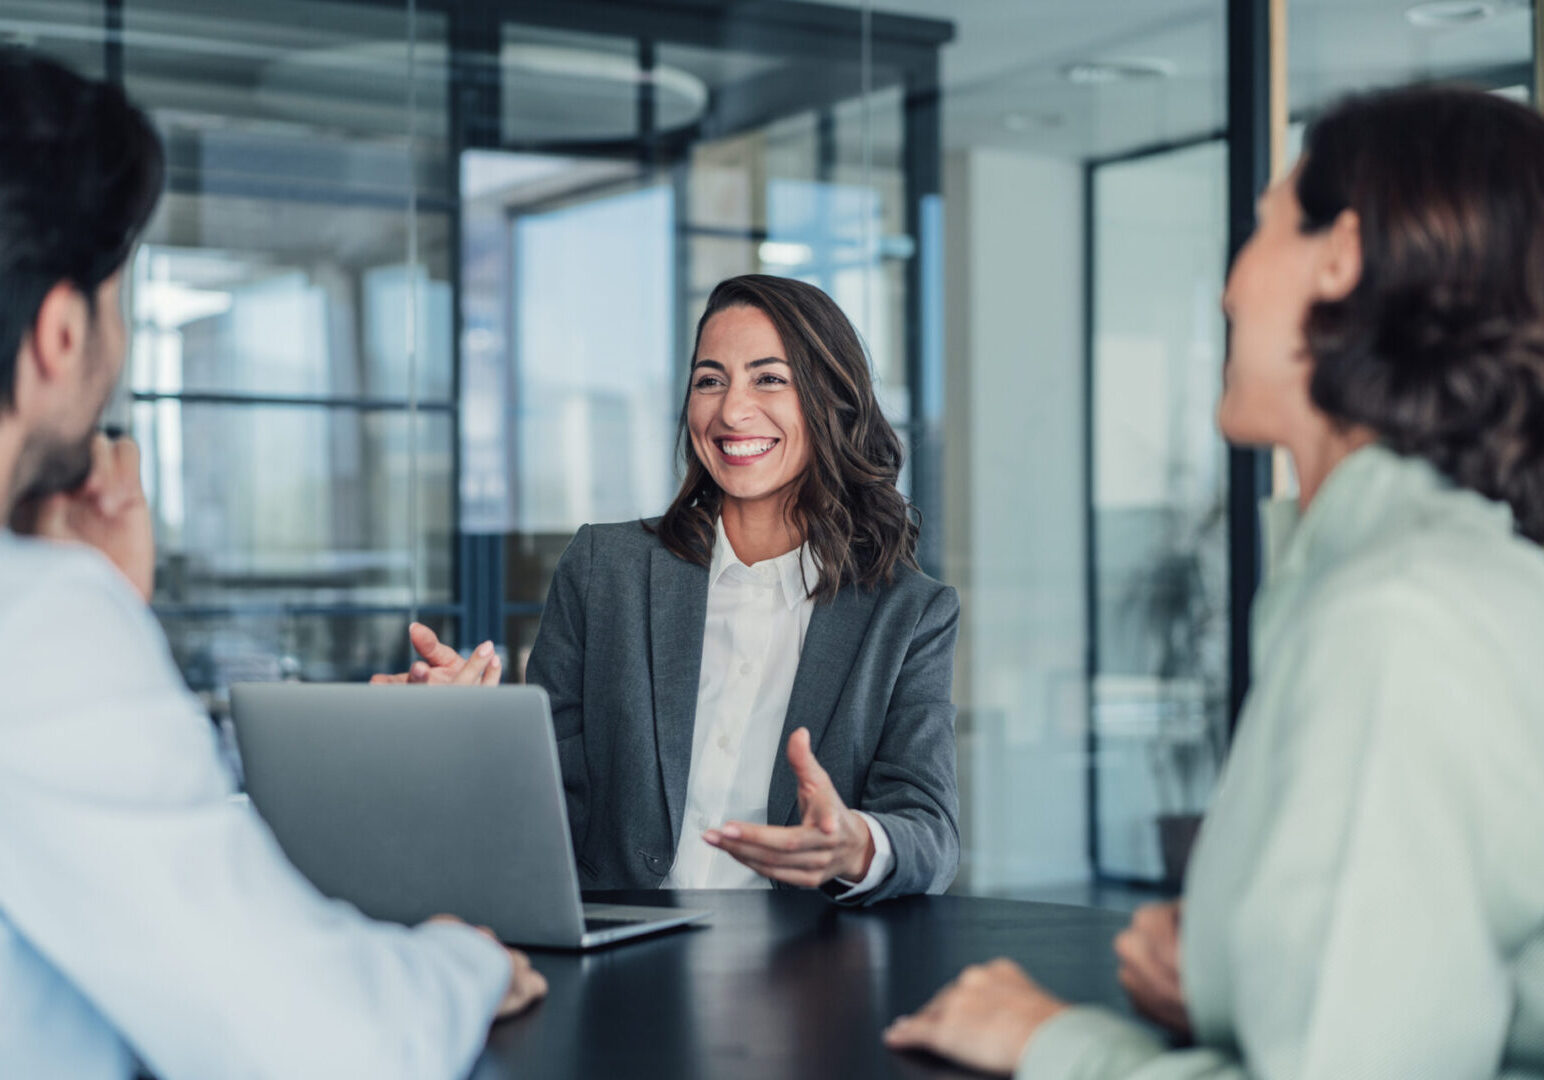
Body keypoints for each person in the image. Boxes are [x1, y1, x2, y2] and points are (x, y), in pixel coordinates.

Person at [884, 84, 1544, 1078]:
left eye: (1259, 230)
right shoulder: (1423, 578)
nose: (1230, 286)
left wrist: (1051, 1042)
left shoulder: (1394, 619)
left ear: (1339, 256)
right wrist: (1248, 979)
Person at [0, 51, 545, 1079]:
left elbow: (112, 854)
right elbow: (331, 1042)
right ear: (61, 335)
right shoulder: (34, 623)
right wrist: (458, 963)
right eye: (120, 296)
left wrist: (107, 610)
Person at [381, 274, 960, 903]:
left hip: (800, 967)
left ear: (833, 401)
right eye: (711, 380)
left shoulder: (908, 613)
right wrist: (473, 734)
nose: (732, 411)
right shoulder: (606, 570)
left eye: (769, 378)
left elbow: (929, 829)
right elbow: (547, 804)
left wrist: (858, 844)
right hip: (617, 955)